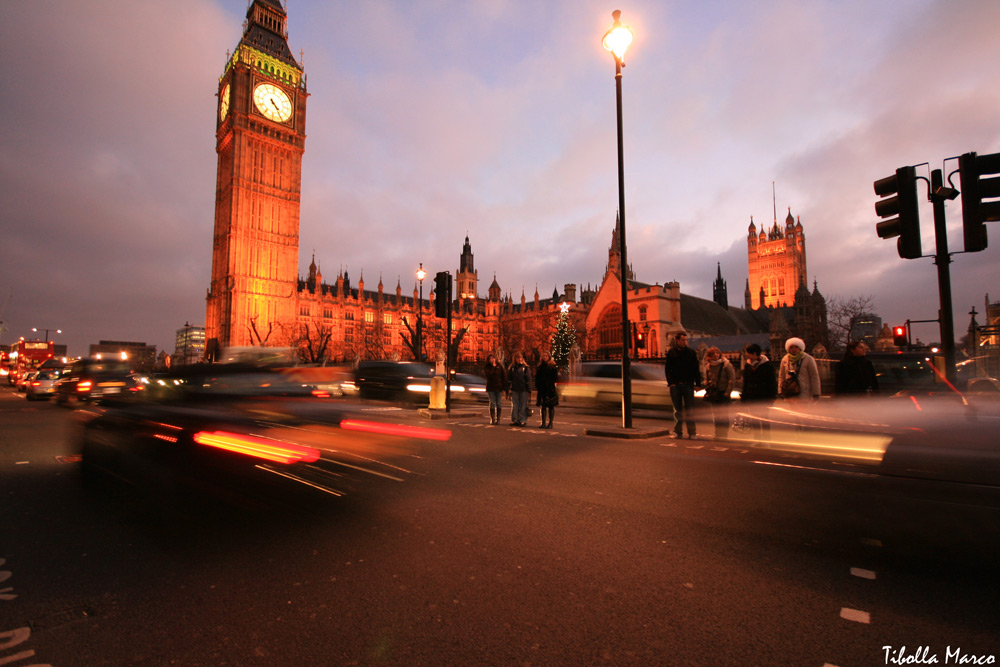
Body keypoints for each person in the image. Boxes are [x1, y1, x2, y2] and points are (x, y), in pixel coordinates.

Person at [664, 332, 701, 438]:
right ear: (677, 340)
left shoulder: (691, 353)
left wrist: (697, 384)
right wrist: (671, 383)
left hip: (688, 384)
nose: (685, 342)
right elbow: (668, 369)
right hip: (676, 385)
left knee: (690, 410)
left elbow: (696, 369)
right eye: (683, 340)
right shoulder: (671, 353)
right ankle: (678, 432)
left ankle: (692, 432)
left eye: (686, 340)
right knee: (677, 410)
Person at [740, 343, 777, 439]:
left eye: (748, 353)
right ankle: (757, 438)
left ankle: (766, 438)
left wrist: (772, 396)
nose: (746, 355)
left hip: (763, 396)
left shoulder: (767, 365)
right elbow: (746, 381)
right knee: (754, 419)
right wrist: (744, 396)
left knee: (764, 419)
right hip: (751, 396)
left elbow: (772, 382)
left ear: (754, 353)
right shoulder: (748, 365)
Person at [702, 346, 735, 439]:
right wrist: (707, 387)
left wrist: (728, 391)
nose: (716, 355)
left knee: (724, 415)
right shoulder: (709, 366)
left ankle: (724, 434)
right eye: (713, 354)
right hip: (714, 393)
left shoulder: (726, 364)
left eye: (717, 353)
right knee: (716, 415)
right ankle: (717, 433)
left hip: (723, 392)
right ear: (710, 356)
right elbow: (707, 379)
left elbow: (731, 379)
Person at [778, 337, 821, 401]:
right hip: (790, 391)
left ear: (800, 348)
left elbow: (814, 376)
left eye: (796, 347)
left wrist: (816, 393)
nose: (794, 349)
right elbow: (781, 376)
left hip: (804, 392)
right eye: (791, 347)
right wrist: (780, 391)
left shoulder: (808, 358)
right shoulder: (785, 359)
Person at [534, 351, 559, 429]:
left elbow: (555, 378)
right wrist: (538, 385)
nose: (544, 357)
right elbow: (537, 377)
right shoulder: (540, 366)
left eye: (546, 356)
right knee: (543, 406)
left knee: (551, 406)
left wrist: (550, 384)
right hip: (542, 388)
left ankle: (550, 423)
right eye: (543, 356)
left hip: (550, 389)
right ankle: (543, 422)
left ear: (549, 357)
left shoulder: (552, 366)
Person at [507, 352, 533, 427]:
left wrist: (529, 389)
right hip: (515, 389)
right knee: (515, 405)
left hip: (523, 389)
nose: (519, 359)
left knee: (523, 405)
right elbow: (509, 379)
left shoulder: (525, 368)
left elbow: (528, 379)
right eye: (518, 358)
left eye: (520, 358)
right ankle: (515, 419)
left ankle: (522, 420)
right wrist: (508, 388)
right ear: (515, 359)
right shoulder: (512, 368)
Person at [483, 354, 508, 425]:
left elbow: (504, 376)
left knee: (499, 403)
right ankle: (492, 418)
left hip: (499, 387)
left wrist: (504, 387)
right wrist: (493, 368)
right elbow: (488, 374)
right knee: (492, 402)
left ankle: (498, 419)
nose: (492, 360)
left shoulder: (499, 366)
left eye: (493, 358)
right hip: (491, 387)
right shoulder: (487, 367)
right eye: (491, 359)